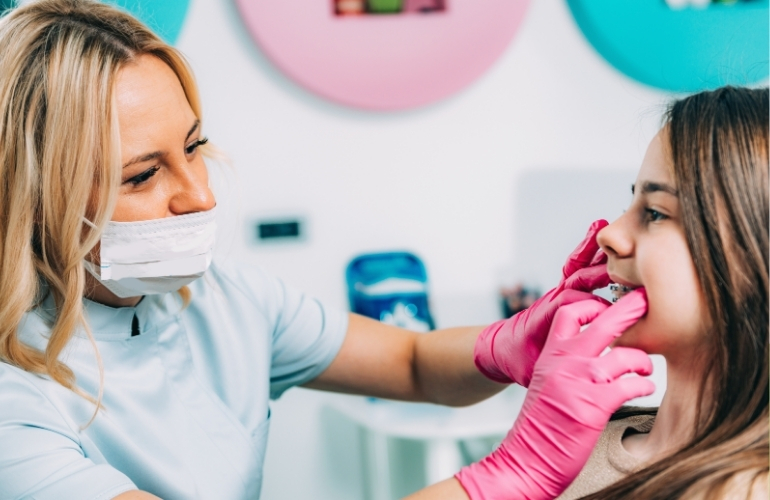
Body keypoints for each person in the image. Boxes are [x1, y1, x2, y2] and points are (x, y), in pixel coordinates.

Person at [0, 1, 654, 499]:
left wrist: (507, 345)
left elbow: (411, 362)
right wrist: (517, 469)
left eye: (194, 148)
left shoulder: (225, 299)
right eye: (143, 176)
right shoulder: (14, 406)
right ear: (33, 197)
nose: (199, 196)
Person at [458, 86, 769, 499]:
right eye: (632, 202)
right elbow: (412, 366)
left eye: (655, 213)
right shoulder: (583, 441)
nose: (609, 234)